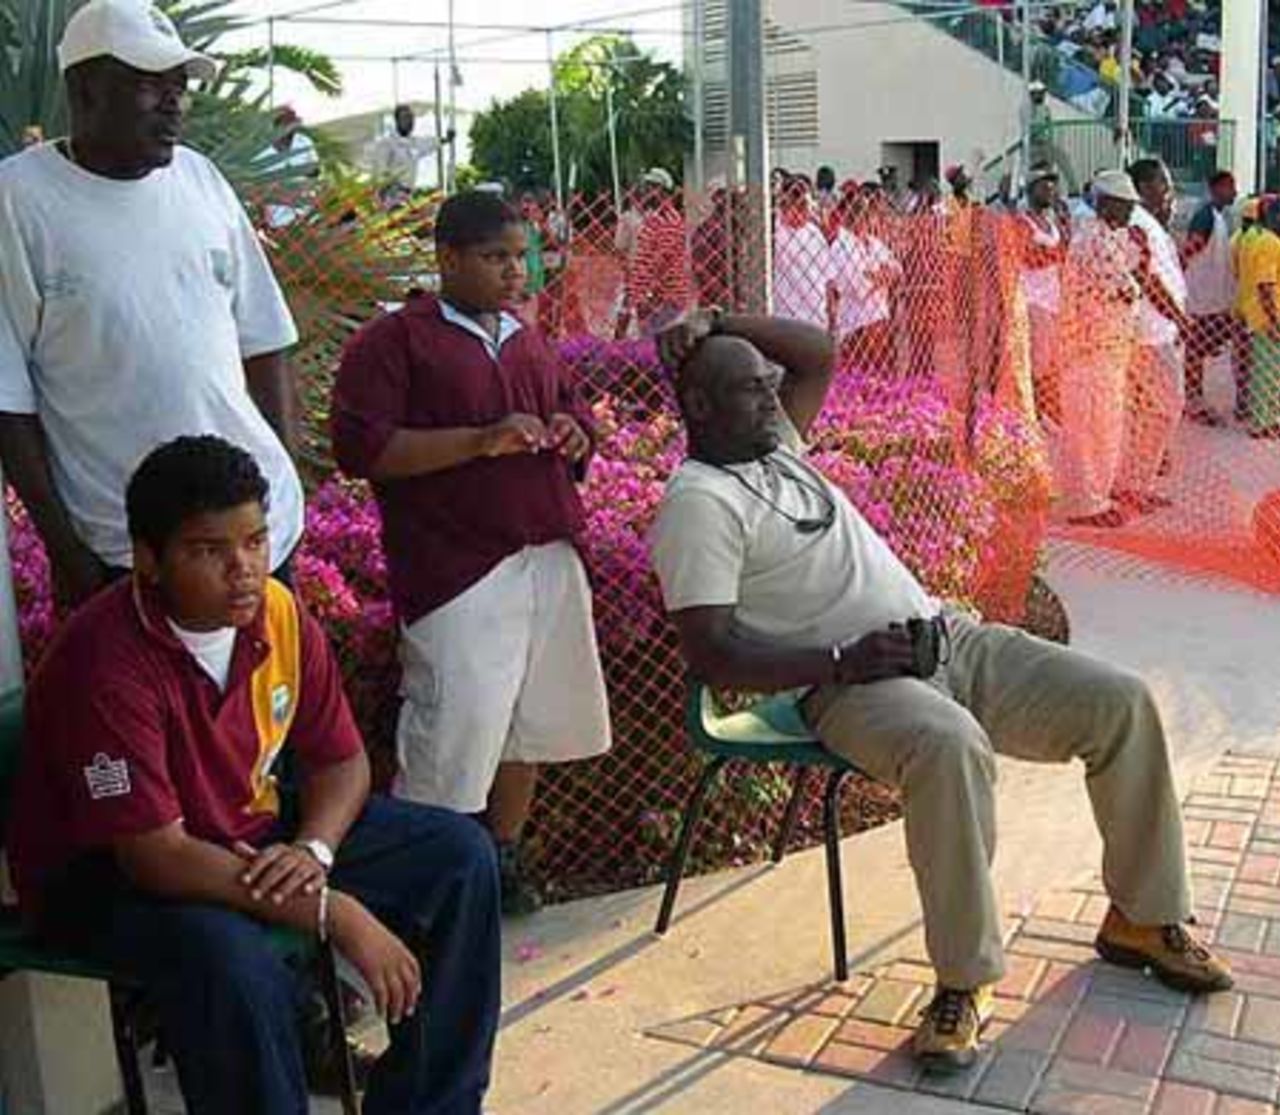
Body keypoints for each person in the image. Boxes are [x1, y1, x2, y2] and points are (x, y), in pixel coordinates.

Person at [647, 307, 1230, 1072]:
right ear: (699, 407)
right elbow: (715, 652)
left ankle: (1144, 919)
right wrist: (842, 659)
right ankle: (965, 978)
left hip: (945, 638)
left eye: (768, 384)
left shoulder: (772, 446)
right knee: (950, 745)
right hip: (852, 684)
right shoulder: (700, 501)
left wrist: (719, 320)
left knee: (1119, 700)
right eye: (752, 389)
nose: (772, 396)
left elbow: (816, 352)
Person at [6, 435, 501, 1113]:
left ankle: (431, 1105)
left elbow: (340, 759)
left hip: (246, 824)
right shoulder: (105, 662)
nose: (242, 568)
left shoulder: (276, 611)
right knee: (234, 962)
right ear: (148, 560)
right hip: (109, 878)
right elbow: (156, 856)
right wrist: (333, 909)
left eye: (254, 540)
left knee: (459, 857)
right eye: (209, 550)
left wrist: (314, 850)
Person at [332, 191, 612, 915]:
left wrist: (576, 431)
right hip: (457, 571)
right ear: (447, 258)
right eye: (495, 258)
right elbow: (365, 449)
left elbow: (575, 409)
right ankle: (421, 893)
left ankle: (499, 862)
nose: (514, 272)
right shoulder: (392, 342)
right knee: (449, 736)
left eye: (521, 257)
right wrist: (481, 439)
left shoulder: (525, 336)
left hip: (546, 554)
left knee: (529, 721)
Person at [0, 0, 304, 613]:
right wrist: (68, 554)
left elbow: (265, 343)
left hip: (256, 544)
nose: (174, 102)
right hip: (127, 556)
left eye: (179, 85)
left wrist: (285, 489)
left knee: (259, 710)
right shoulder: (19, 199)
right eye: (148, 84)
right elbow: (7, 400)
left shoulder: (202, 180)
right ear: (85, 91)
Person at [1057, 170, 1143, 527]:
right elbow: (1128, 290)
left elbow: (1132, 285)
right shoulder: (1095, 239)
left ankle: (1096, 496)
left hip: (1106, 349)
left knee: (1103, 425)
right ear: (1107, 203)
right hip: (1090, 350)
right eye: (1126, 206)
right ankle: (1085, 503)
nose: (1130, 214)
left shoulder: (1107, 235)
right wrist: (1134, 289)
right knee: (1090, 427)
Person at [1120, 158, 1190, 515]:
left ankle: (1136, 484)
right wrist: (1179, 318)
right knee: (1166, 406)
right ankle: (1134, 485)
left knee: (1147, 410)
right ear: (1145, 186)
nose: (1169, 190)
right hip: (1149, 334)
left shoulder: (1150, 223)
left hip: (1159, 332)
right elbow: (1148, 281)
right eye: (1164, 182)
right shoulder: (1136, 223)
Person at [1183, 170, 1244, 424]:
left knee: (1200, 351)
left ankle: (1195, 398)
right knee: (1195, 352)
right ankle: (1193, 401)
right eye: (1230, 187)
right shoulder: (1205, 216)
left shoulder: (1218, 217)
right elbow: (1190, 249)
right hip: (1201, 299)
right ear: (1216, 188)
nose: (1235, 192)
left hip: (1213, 300)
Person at [1018, 163, 1069, 425]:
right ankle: (1033, 412)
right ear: (1031, 189)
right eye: (1044, 185)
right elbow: (1030, 257)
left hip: (1054, 301)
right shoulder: (1022, 221)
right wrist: (1057, 255)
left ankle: (1048, 408)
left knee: (1052, 361)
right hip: (1033, 301)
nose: (1051, 189)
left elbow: (1062, 254)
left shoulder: (1053, 222)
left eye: (1053, 184)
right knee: (1037, 361)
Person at [830, 187, 900, 374]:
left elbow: (897, 269)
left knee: (883, 374)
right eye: (859, 213)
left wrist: (876, 275)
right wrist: (882, 276)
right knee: (861, 376)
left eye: (867, 213)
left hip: (880, 316)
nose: (865, 218)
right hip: (857, 324)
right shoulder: (841, 246)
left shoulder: (873, 242)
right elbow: (858, 286)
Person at [617, 167, 691, 337]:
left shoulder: (670, 221)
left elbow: (660, 263)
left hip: (664, 298)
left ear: (662, 191)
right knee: (647, 339)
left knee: (654, 343)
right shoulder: (654, 218)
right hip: (648, 296)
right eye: (647, 187)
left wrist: (648, 296)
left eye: (652, 187)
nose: (647, 191)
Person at [1238, 197, 1280, 439]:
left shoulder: (1251, 237)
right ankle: (1263, 422)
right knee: (1267, 372)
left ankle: (1267, 419)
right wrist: (1273, 321)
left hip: (1255, 310)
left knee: (1266, 369)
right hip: (1268, 315)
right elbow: (1265, 285)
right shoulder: (1271, 243)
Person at [773, 174, 834, 330]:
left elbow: (828, 279)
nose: (804, 211)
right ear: (784, 204)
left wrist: (831, 314)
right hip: (784, 317)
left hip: (816, 316)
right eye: (798, 205)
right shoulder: (775, 231)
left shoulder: (814, 232)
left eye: (805, 205)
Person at [366, 103, 442, 205]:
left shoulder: (413, 143)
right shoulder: (386, 143)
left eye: (411, 118)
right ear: (397, 120)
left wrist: (445, 139)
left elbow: (430, 143)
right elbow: (379, 172)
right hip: (391, 196)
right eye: (405, 118)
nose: (410, 122)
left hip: (407, 195)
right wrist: (384, 195)